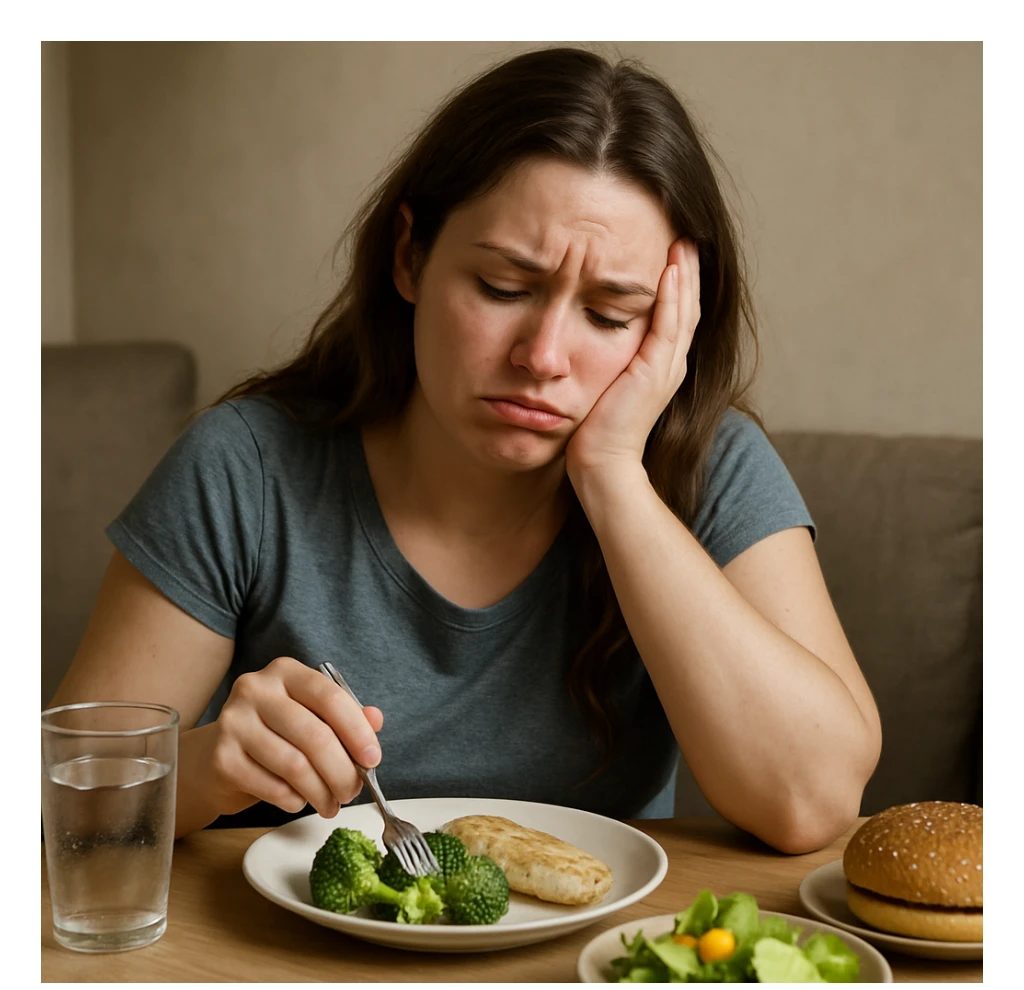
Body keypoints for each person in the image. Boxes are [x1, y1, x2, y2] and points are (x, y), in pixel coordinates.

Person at [49, 46, 881, 853]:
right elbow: (51, 811)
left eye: (609, 314)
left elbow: (811, 805)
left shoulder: (711, 469)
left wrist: (614, 480)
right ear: (410, 255)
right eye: (503, 288)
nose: (544, 356)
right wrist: (202, 770)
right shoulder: (246, 469)